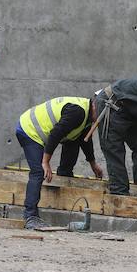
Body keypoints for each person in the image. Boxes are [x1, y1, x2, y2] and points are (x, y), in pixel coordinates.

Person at [16, 95, 104, 229]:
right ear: (94, 106)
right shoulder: (78, 112)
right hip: (29, 129)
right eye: (101, 111)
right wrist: (45, 162)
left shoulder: (86, 117)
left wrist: (93, 164)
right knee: (38, 172)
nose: (100, 118)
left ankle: (64, 174)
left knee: (74, 138)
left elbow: (84, 140)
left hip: (39, 130)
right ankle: (30, 216)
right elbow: (55, 133)